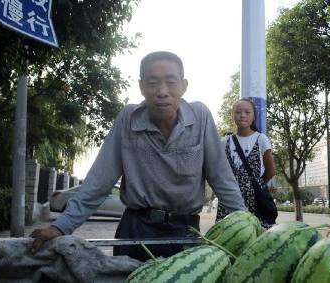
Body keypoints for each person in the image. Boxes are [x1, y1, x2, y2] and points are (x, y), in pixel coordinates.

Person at [31, 51, 247, 261]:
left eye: (171, 82)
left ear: (183, 86)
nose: (162, 91)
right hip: (136, 229)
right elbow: (99, 181)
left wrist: (247, 225)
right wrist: (61, 226)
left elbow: (221, 178)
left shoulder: (200, 117)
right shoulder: (128, 119)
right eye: (153, 83)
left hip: (186, 231)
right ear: (142, 86)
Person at [216, 98, 276, 227]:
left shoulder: (261, 139)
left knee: (252, 235)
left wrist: (254, 184)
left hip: (254, 200)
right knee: (227, 234)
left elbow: (271, 171)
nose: (243, 115)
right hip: (228, 199)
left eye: (247, 112)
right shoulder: (224, 141)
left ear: (254, 116)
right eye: (238, 112)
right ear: (232, 115)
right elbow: (217, 170)